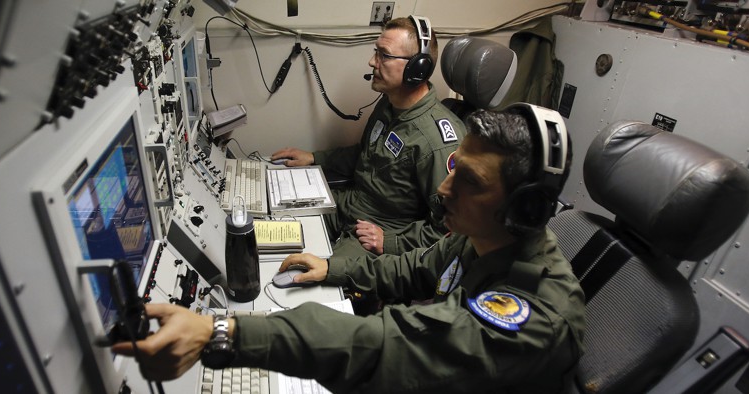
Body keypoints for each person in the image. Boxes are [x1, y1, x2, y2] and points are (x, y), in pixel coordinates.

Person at [113, 105, 586, 393]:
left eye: (469, 181)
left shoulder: (534, 318)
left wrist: (226, 333)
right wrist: (331, 268)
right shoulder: (481, 235)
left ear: (523, 209)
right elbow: (412, 268)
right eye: (454, 167)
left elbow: (393, 345)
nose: (444, 188)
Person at [271, 16, 465, 258]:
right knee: (272, 226)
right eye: (376, 52)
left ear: (418, 68)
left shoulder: (437, 143)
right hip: (349, 205)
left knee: (304, 278)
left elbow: (449, 229)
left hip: (381, 232)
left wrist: (391, 243)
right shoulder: (388, 104)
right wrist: (314, 157)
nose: (372, 61)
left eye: (384, 55)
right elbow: (366, 154)